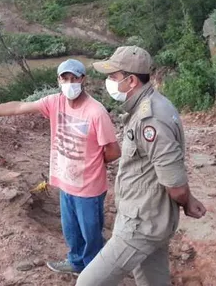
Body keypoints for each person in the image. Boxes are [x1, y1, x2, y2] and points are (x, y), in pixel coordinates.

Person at [0, 59, 121, 275]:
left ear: (83, 80)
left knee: (91, 233)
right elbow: (18, 107)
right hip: (65, 182)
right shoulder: (55, 102)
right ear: (58, 80)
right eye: (65, 78)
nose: (70, 83)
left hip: (89, 187)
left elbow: (113, 151)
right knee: (71, 231)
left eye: (75, 78)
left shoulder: (96, 112)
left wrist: (90, 164)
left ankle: (97, 273)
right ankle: (77, 263)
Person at [76, 46, 206, 286]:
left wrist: (186, 199)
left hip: (141, 223)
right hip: (150, 217)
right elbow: (162, 168)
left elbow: (175, 184)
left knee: (88, 283)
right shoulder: (151, 106)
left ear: (131, 80)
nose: (109, 82)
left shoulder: (150, 119)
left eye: (113, 77)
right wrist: (188, 199)